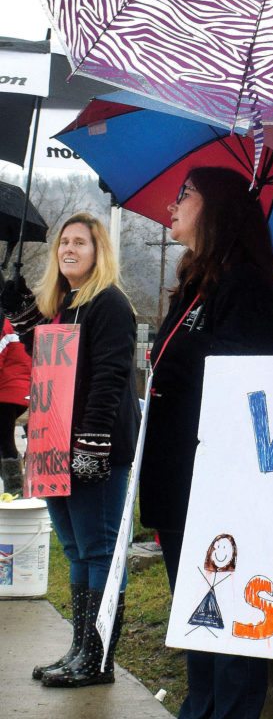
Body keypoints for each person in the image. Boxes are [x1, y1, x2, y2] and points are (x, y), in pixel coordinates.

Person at [138, 167, 273, 719]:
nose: (172, 205)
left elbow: (244, 373)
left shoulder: (245, 284)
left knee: (224, 610)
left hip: (217, 482)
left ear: (218, 206)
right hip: (177, 478)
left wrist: (175, 362)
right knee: (193, 613)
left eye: (185, 194)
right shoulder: (195, 284)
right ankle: (199, 708)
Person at [0, 213, 139, 688]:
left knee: (99, 549)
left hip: (94, 447)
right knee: (76, 550)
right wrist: (16, 301)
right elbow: (33, 348)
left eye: (80, 242)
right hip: (52, 444)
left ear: (99, 252)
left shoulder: (109, 304)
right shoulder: (59, 306)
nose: (69, 250)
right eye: (64, 243)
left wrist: (91, 444)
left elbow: (110, 377)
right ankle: (80, 649)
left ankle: (98, 659)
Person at [0, 312, 31, 496]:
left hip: (6, 393)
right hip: (23, 391)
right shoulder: (23, 322)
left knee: (5, 442)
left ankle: (15, 490)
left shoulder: (5, 324)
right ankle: (16, 489)